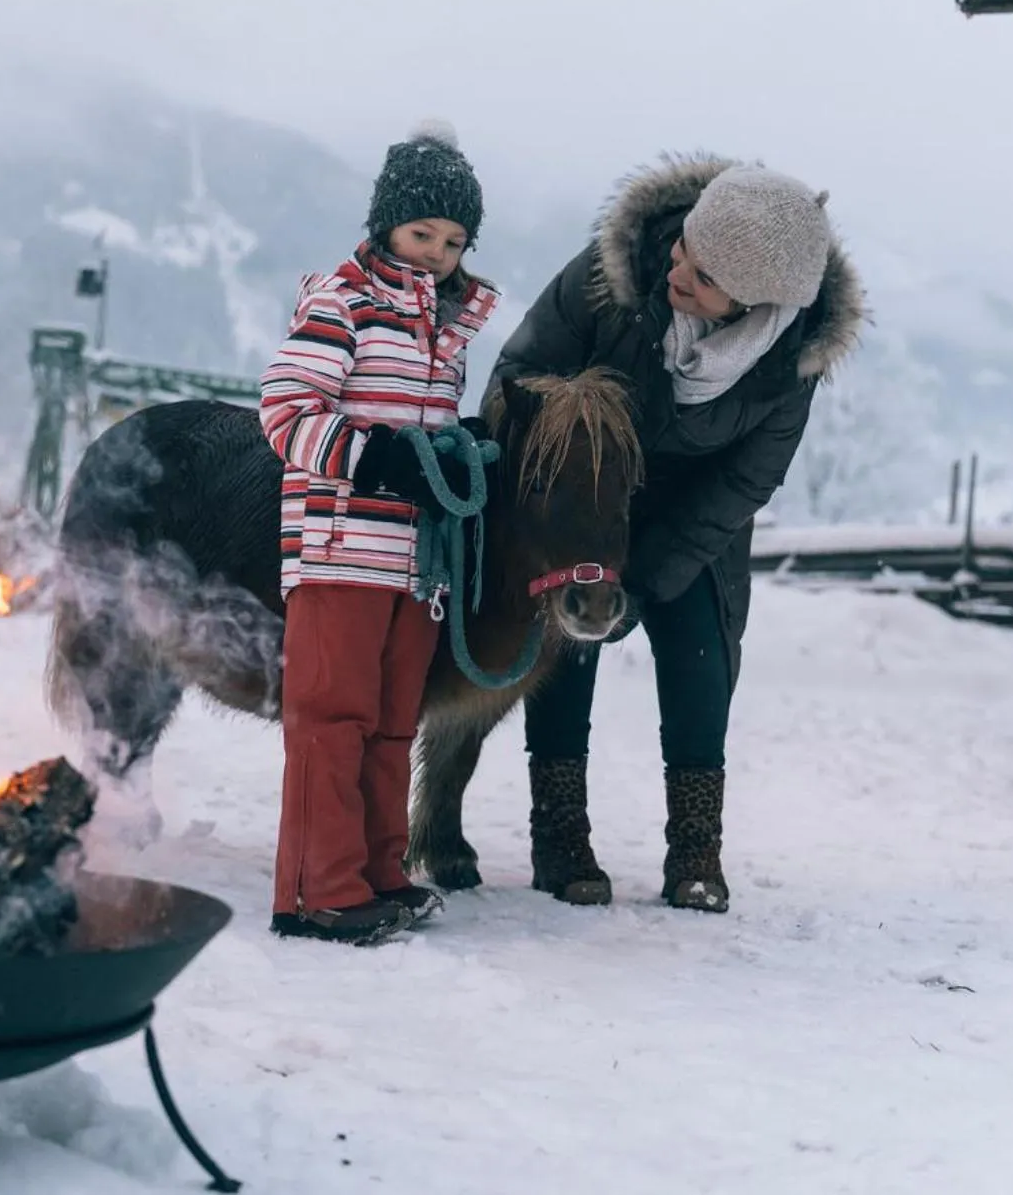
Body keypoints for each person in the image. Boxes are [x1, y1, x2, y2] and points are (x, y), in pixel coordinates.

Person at [490, 156, 864, 911]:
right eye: (683, 250)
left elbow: (746, 481)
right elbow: (517, 376)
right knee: (571, 635)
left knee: (700, 656)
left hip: (697, 520)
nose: (677, 271)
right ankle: (559, 832)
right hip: (587, 500)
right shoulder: (609, 277)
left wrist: (647, 572)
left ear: (751, 306)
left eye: (701, 277)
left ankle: (696, 848)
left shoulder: (787, 362)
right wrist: (572, 506)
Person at [259, 121, 499, 945]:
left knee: (395, 723)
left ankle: (376, 872)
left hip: (416, 561)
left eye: (453, 239)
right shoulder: (344, 303)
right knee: (333, 720)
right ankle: (318, 890)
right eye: (421, 232)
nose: (436, 251)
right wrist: (377, 459)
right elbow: (286, 413)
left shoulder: (448, 330)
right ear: (386, 224)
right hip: (340, 547)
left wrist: (454, 458)